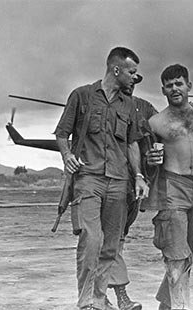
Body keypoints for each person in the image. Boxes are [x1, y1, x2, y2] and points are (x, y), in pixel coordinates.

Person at [54, 47, 149, 310]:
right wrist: (66, 156)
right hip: (89, 178)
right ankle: (86, 302)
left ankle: (99, 300)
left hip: (119, 181)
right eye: (132, 72)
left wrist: (139, 175)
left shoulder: (128, 105)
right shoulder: (82, 96)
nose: (134, 77)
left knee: (110, 245)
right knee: (91, 239)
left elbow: (132, 144)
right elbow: (62, 133)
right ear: (116, 70)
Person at [144, 64, 193, 310]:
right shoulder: (156, 122)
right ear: (163, 89)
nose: (174, 88)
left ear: (189, 86)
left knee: (188, 254)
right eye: (169, 85)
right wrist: (149, 159)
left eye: (179, 83)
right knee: (176, 255)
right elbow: (145, 158)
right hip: (172, 186)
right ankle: (181, 307)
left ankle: (167, 304)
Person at [107, 73, 158, 305]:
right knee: (109, 239)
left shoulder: (145, 108)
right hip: (106, 184)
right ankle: (119, 296)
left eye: (134, 85)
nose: (130, 88)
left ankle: (101, 297)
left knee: (119, 238)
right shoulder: (102, 104)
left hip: (133, 186)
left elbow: (162, 132)